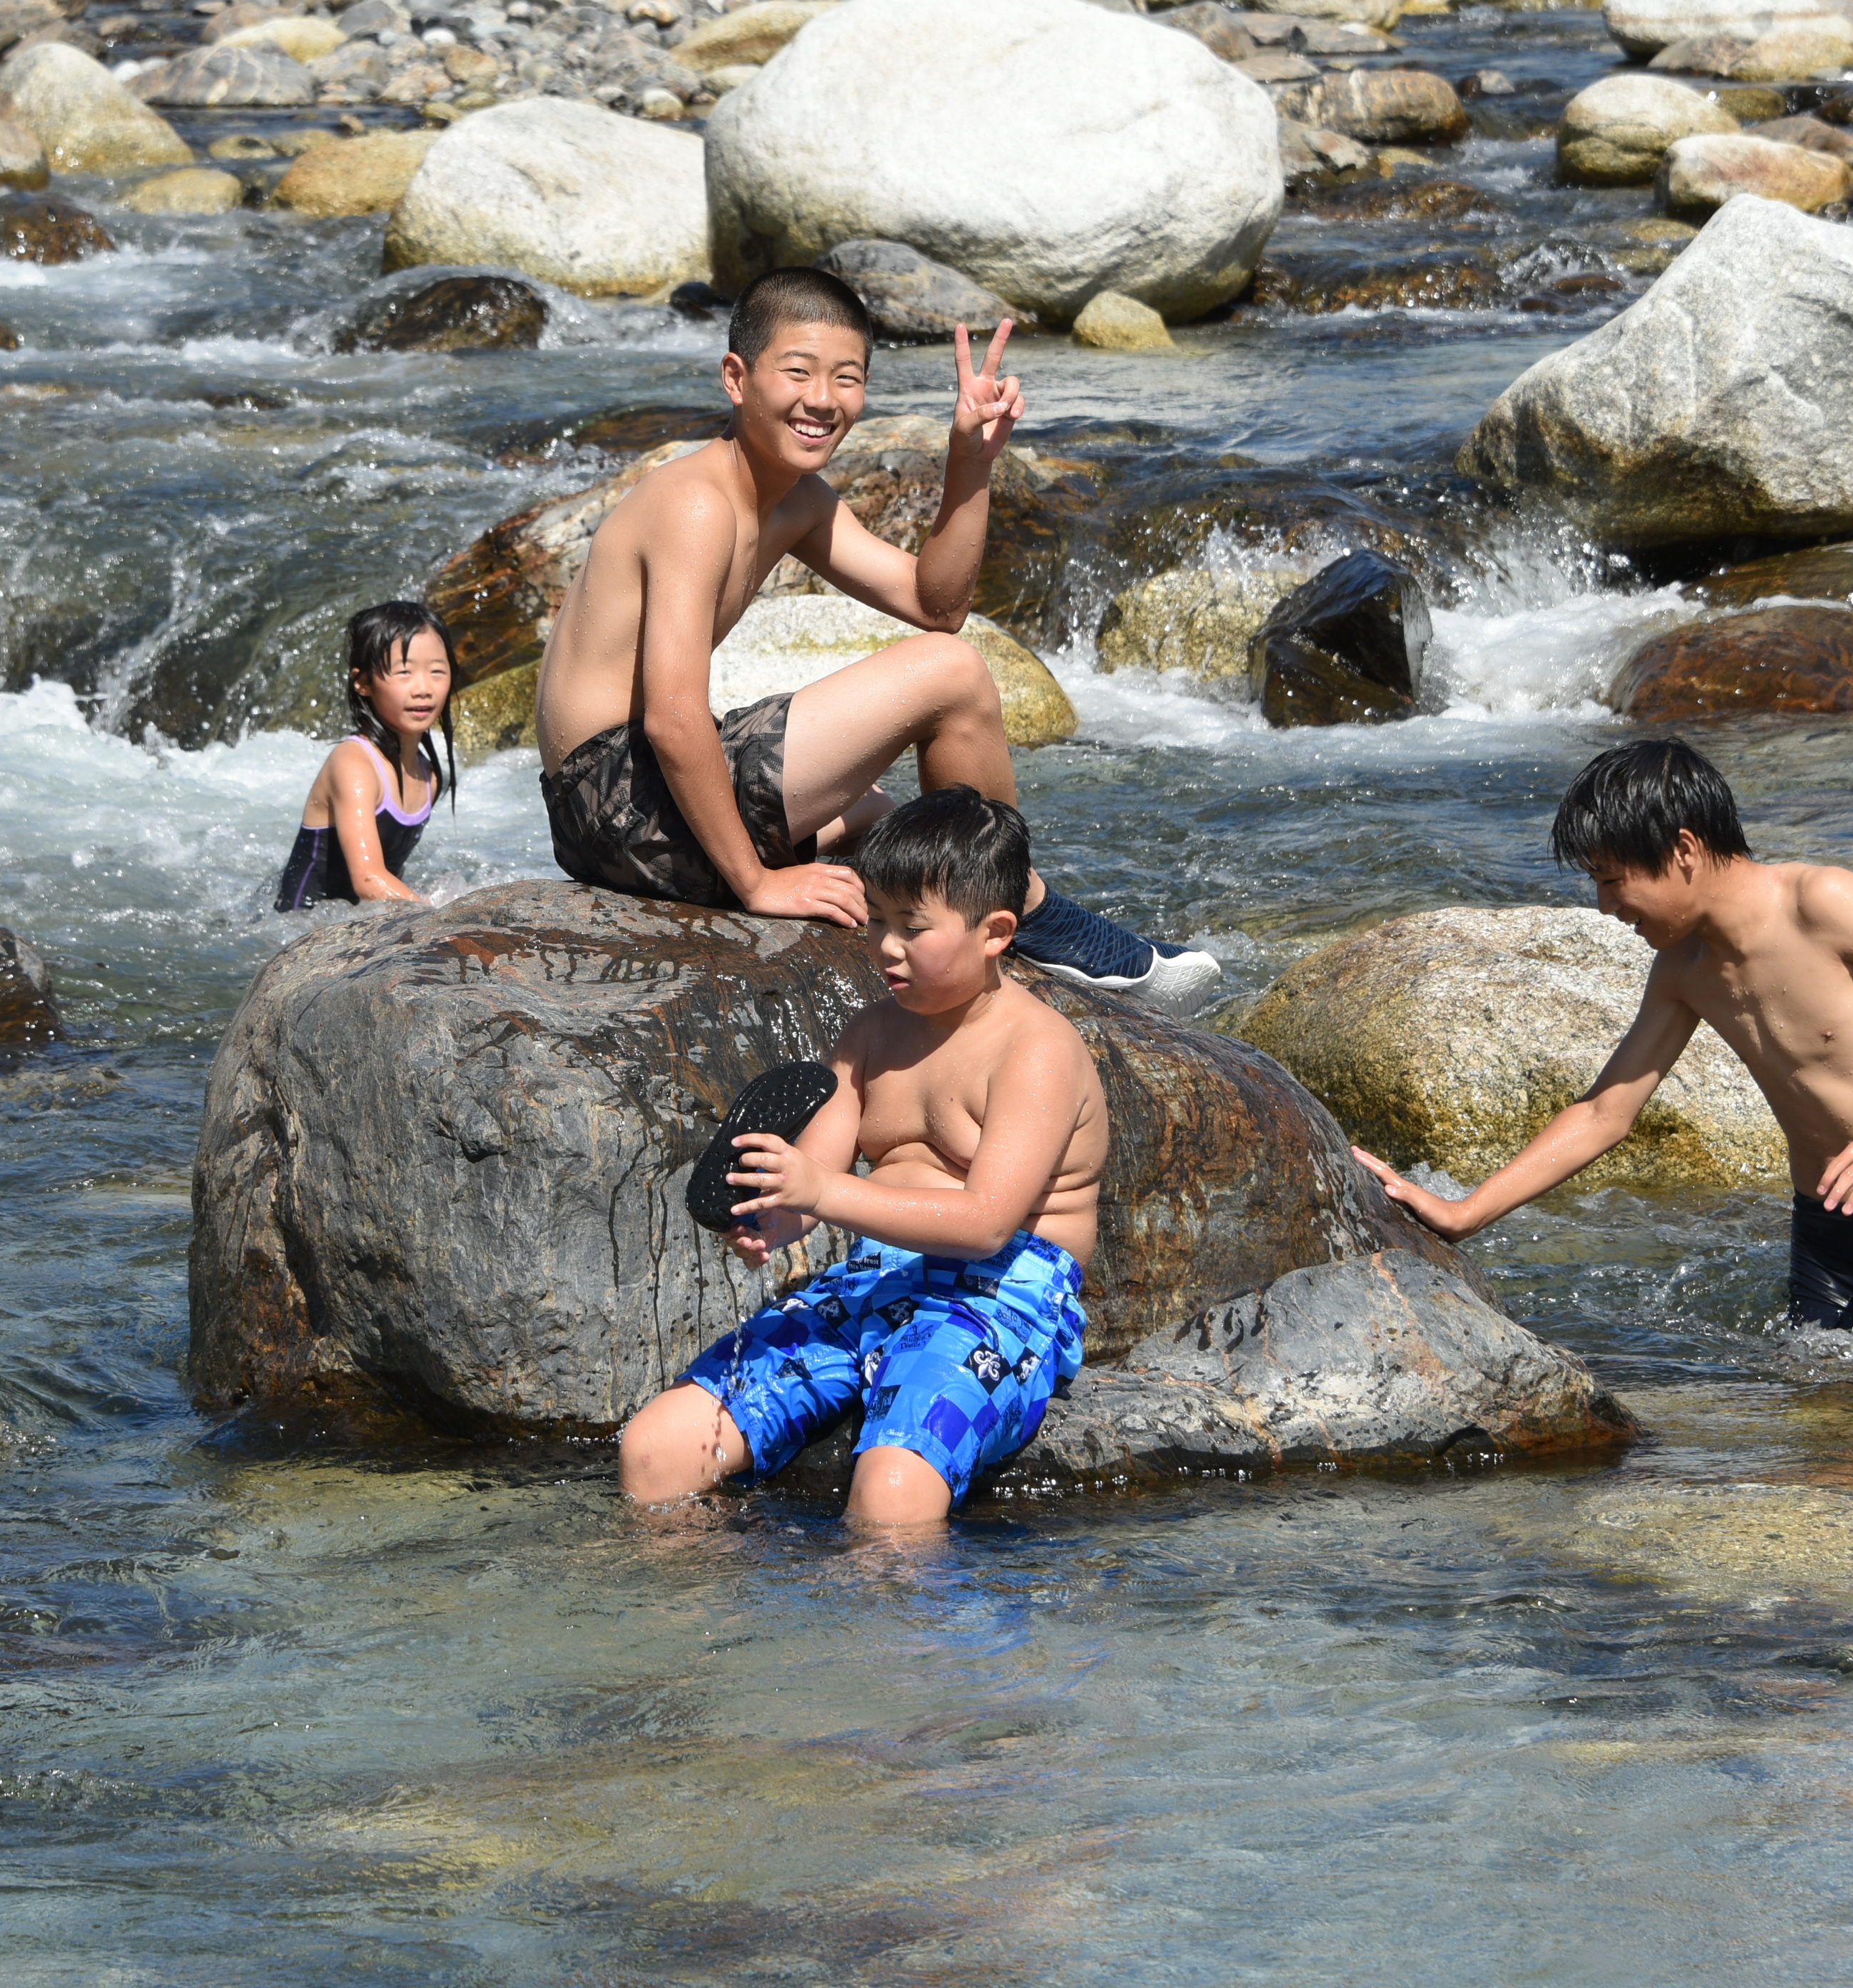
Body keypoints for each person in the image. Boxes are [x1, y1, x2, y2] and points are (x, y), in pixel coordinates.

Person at [531, 265, 1216, 1012]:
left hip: (617, 801)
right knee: (951, 675)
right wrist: (758, 885)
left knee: (887, 821)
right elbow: (671, 717)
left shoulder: (794, 501)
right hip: (615, 797)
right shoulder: (697, 504)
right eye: (798, 371)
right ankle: (1025, 915)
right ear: (737, 377)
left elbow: (934, 600)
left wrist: (970, 465)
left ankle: (966, 926)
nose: (823, 399)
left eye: (847, 377)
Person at [1355, 738, 1853, 1338]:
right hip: (1828, 1235)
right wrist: (1466, 1212)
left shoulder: (1823, 901)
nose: (1604, 907)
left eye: (1613, 879)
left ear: (1683, 850)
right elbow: (1602, 1113)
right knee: (1831, 1436)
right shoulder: (1684, 971)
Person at [619, 789, 1104, 1529]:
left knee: (892, 1497)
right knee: (656, 1450)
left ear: (996, 932)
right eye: (876, 917)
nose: (885, 945)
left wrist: (820, 1191)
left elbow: (984, 1223)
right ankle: (714, 1633)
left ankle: (907, 1640)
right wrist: (772, 1215)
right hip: (872, 1277)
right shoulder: (872, 1032)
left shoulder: (1036, 1049)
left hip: (1001, 1293)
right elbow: (814, 1169)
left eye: (913, 927)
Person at [274, 599, 457, 911]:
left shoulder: (429, 777)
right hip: (297, 930)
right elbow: (369, 880)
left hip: (355, 924)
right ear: (363, 682)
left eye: (437, 671)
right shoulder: (354, 763)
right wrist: (438, 917)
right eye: (404, 672)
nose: (423, 688)